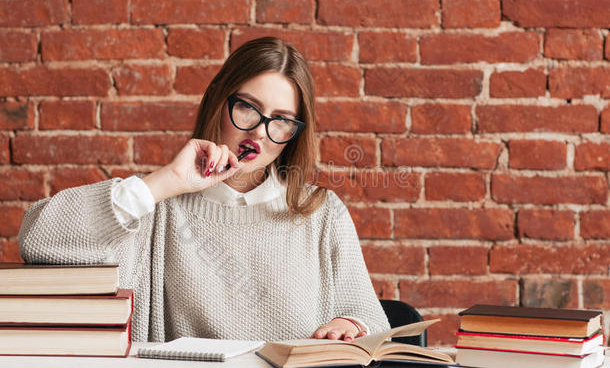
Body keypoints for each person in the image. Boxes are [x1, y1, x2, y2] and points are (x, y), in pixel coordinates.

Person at [18, 37, 391, 343]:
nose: (260, 132)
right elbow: (38, 238)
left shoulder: (321, 211)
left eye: (281, 121)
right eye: (248, 108)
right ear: (218, 99)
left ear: (294, 133)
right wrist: (165, 182)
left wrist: (351, 325)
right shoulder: (160, 208)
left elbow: (369, 319)